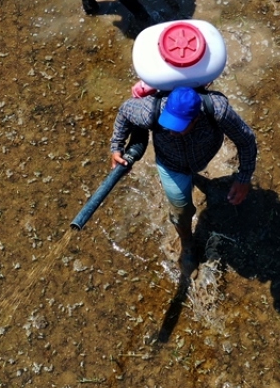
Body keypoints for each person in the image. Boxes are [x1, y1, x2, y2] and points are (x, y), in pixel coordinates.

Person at [109, 85, 258, 273]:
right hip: (171, 165)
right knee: (181, 210)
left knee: (194, 174)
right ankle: (187, 241)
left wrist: (243, 178)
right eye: (168, 124)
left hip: (203, 157)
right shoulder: (151, 111)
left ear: (196, 118)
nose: (171, 131)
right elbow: (124, 111)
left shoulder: (217, 109)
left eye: (178, 127)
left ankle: (196, 178)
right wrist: (116, 147)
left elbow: (246, 140)